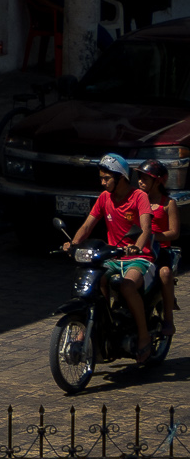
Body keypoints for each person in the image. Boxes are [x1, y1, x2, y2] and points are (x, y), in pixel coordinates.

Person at [64, 152, 155, 363]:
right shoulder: (104, 198)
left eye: (107, 178)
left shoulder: (139, 197)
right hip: (112, 257)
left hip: (138, 258)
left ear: (121, 178)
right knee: (97, 282)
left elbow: (146, 229)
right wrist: (74, 244)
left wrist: (136, 247)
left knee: (126, 286)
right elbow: (88, 225)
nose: (103, 182)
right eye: (101, 178)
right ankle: (99, 328)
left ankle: (143, 336)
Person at [137, 159, 179, 335]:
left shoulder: (168, 204)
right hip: (138, 249)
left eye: (145, 179)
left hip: (160, 251)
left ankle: (168, 320)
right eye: (140, 177)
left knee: (165, 274)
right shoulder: (137, 200)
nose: (140, 181)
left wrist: (153, 237)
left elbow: (174, 232)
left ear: (158, 181)